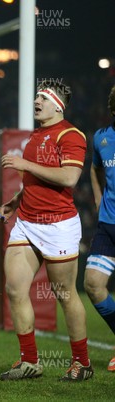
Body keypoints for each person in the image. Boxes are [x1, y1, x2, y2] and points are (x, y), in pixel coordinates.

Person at [0, 81, 92, 381]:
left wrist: (25, 163)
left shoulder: (71, 134)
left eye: (42, 97)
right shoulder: (36, 136)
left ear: (57, 105)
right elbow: (34, 182)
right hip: (26, 221)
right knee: (14, 288)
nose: (36, 100)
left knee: (64, 294)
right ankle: (29, 362)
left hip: (58, 226)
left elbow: (69, 177)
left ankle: (82, 363)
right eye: (36, 96)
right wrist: (14, 202)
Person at [85, 84, 115, 372]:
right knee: (93, 285)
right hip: (108, 226)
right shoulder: (102, 139)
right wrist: (97, 198)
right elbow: (94, 169)